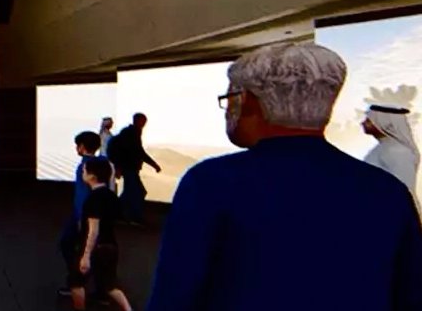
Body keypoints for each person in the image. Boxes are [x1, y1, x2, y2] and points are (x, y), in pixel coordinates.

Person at [146, 42, 422, 311]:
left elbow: (175, 296)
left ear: (249, 102)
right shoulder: (388, 192)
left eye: (230, 99)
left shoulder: (211, 183)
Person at [71, 158, 132, 311]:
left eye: (84, 171)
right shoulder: (111, 196)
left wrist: (85, 256)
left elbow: (93, 230)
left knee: (76, 283)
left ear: (92, 176)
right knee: (110, 286)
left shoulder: (92, 199)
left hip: (96, 248)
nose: (82, 173)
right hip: (111, 246)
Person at [58, 132, 105, 300]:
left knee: (69, 246)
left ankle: (77, 283)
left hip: (84, 216)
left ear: (82, 147)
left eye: (78, 145)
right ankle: (100, 289)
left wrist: (80, 219)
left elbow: (82, 197)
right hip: (100, 214)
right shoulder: (103, 164)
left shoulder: (84, 168)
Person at [363, 104, 420, 207]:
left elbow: (403, 190)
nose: (363, 123)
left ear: (384, 123)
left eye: (368, 121)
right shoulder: (383, 148)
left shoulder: (398, 151)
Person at [107, 113, 160, 225]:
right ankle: (134, 217)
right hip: (129, 168)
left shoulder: (131, 133)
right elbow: (138, 152)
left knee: (132, 192)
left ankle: (117, 214)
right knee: (137, 192)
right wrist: (154, 164)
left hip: (130, 168)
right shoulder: (131, 134)